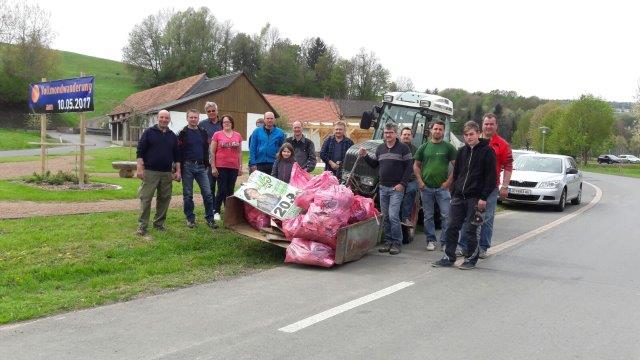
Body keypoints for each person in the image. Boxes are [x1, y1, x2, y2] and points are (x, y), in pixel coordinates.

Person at [432, 121, 496, 270]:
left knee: (470, 229)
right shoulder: (462, 151)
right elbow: (457, 173)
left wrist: (484, 197)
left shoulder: (487, 151)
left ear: (478, 133)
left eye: (471, 134)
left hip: (476, 198)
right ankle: (449, 256)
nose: (468, 137)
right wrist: (454, 191)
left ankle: (471, 259)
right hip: (459, 196)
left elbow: (491, 178)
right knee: (451, 226)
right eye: (466, 135)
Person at [458, 113, 513, 258]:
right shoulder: (473, 139)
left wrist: (505, 186)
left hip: (490, 188)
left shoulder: (503, 145)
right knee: (467, 217)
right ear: (482, 125)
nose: (488, 126)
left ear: (496, 126)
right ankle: (463, 246)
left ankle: (483, 247)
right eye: (486, 123)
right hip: (471, 186)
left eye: (491, 124)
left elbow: (508, 166)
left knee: (486, 218)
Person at [358, 122, 413, 255]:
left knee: (394, 216)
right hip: (383, 187)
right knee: (386, 216)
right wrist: (365, 155)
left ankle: (396, 243)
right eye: (386, 133)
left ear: (395, 134)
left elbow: (409, 167)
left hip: (396, 188)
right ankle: (388, 242)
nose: (388, 135)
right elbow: (374, 165)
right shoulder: (380, 148)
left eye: (390, 132)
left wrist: (402, 184)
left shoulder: (403, 148)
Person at [413, 120, 458, 251]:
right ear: (431, 130)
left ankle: (444, 242)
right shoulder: (424, 147)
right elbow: (415, 165)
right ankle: (431, 240)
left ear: (443, 131)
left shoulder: (448, 147)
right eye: (436, 129)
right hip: (426, 188)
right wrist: (420, 182)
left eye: (440, 129)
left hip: (442, 189)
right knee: (428, 216)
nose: (438, 131)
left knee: (446, 216)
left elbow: (457, 167)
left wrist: (448, 182)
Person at [135, 109, 180, 236]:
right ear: (157, 118)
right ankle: (142, 226)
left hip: (166, 173)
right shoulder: (149, 132)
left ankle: (159, 224)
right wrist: (139, 169)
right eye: (162, 117)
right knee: (146, 198)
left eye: (166, 118)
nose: (164, 120)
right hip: (150, 172)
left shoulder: (172, 136)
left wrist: (178, 171)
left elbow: (177, 156)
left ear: (169, 120)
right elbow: (140, 152)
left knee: (164, 198)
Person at [178, 109, 217, 229]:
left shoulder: (203, 132)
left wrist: (208, 163)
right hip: (187, 166)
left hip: (201, 167)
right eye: (191, 117)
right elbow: (178, 151)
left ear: (198, 119)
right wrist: (177, 168)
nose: (193, 119)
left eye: (195, 117)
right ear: (187, 118)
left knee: (208, 194)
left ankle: (210, 219)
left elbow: (208, 149)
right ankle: (190, 219)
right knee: (188, 195)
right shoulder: (182, 133)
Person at [211, 114, 243, 217]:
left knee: (230, 190)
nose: (227, 124)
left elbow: (240, 152)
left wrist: (240, 166)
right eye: (225, 122)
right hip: (221, 166)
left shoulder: (238, 135)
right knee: (222, 189)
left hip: (233, 166)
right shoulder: (217, 134)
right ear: (222, 124)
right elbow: (212, 152)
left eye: (228, 122)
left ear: (232, 123)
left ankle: (229, 211)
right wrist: (213, 166)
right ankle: (216, 211)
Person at [199, 101, 223, 220]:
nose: (211, 113)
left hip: (223, 159)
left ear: (217, 111)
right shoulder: (202, 124)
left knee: (222, 186)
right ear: (206, 113)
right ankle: (212, 209)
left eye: (213, 110)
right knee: (210, 185)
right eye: (209, 111)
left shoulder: (223, 123)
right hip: (209, 160)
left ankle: (218, 208)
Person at [399, 127, 418, 227]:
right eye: (404, 134)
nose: (406, 136)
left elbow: (415, 167)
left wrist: (406, 179)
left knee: (411, 190)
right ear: (400, 136)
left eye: (408, 135)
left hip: (411, 178)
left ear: (412, 137)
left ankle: (405, 217)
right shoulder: (395, 148)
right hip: (397, 178)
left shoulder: (415, 150)